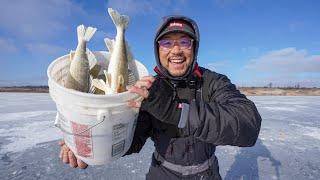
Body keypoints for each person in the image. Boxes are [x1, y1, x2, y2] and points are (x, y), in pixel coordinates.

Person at [59, 15, 262, 180]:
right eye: (166, 43)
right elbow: (130, 139)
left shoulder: (213, 82)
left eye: (184, 42)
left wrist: (177, 111)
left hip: (207, 174)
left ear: (194, 48)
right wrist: (89, 147)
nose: (176, 50)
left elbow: (248, 125)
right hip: (162, 174)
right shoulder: (150, 89)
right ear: (158, 50)